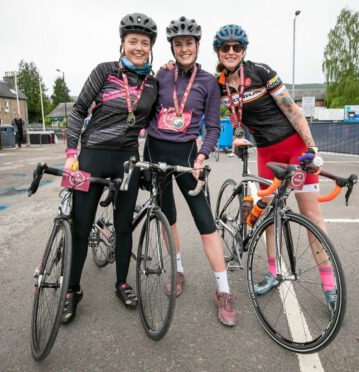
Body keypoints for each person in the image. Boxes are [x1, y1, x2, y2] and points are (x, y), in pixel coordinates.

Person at [212, 24, 336, 306]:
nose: (231, 52)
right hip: (266, 154)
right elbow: (225, 111)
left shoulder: (261, 72)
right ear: (218, 52)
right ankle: (273, 272)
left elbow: (292, 109)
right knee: (268, 217)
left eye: (237, 47)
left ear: (244, 51)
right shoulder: (218, 85)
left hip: (295, 149)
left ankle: (330, 287)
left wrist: (312, 147)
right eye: (225, 48)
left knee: (312, 217)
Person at [62, 12, 159, 323]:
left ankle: (121, 283)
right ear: (122, 44)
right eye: (133, 42)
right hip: (92, 156)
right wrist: (70, 151)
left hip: (127, 159)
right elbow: (78, 111)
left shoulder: (152, 84)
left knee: (122, 227)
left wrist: (146, 162)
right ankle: (72, 290)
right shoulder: (104, 72)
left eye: (144, 43)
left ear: (151, 47)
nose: (139, 47)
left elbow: (154, 127)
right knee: (80, 227)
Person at [145, 16, 236, 326]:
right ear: (172, 47)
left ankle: (223, 290)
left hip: (187, 154)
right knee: (167, 216)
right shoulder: (163, 74)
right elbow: (149, 109)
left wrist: (202, 155)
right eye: (178, 44)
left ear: (198, 46)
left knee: (205, 221)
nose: (184, 49)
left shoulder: (209, 82)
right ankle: (178, 269)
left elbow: (212, 127)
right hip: (156, 150)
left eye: (189, 43)